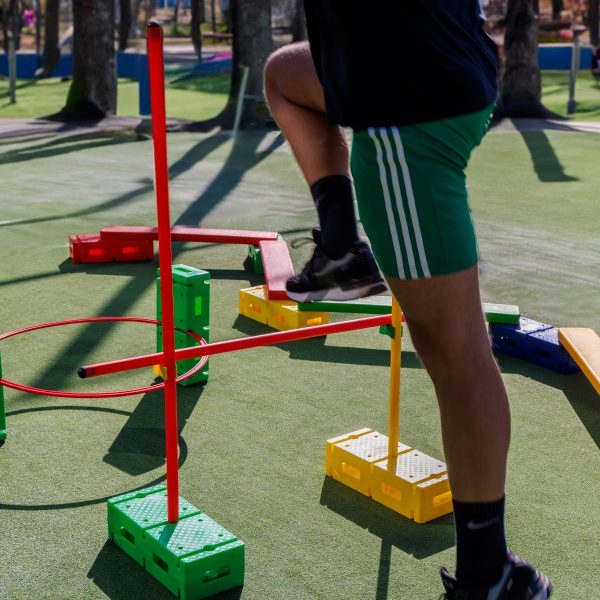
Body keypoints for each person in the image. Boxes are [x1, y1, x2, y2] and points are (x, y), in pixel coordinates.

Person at [263, 2, 553, 599]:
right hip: (444, 64)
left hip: (406, 107)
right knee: (286, 75)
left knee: (456, 352)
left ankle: (489, 576)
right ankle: (340, 248)